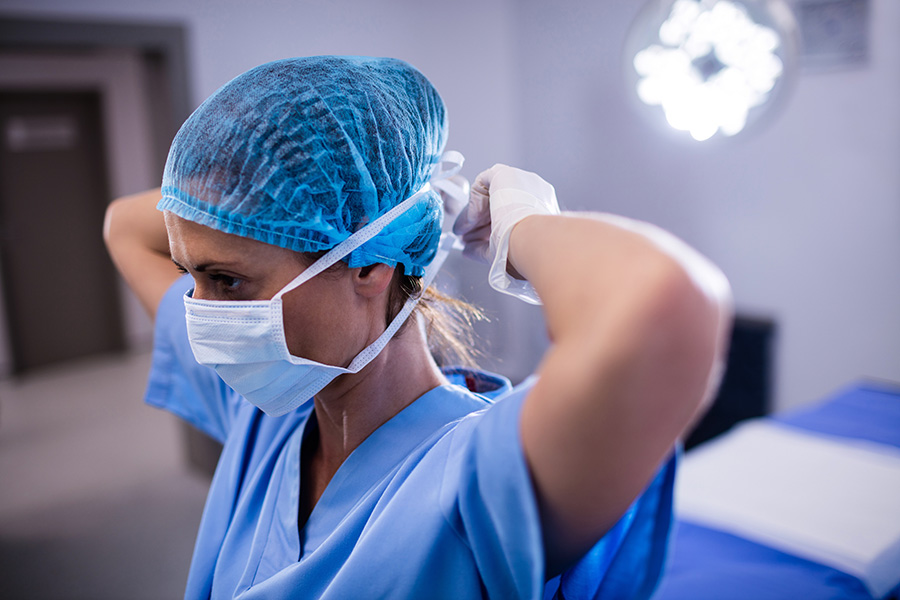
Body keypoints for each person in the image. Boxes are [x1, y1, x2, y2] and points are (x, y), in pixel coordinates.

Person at [103, 55, 732, 599]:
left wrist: (525, 231)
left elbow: (665, 306)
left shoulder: (475, 480)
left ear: (370, 264)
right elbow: (123, 226)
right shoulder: (264, 420)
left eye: (227, 281)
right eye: (192, 275)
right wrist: (280, 203)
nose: (202, 312)